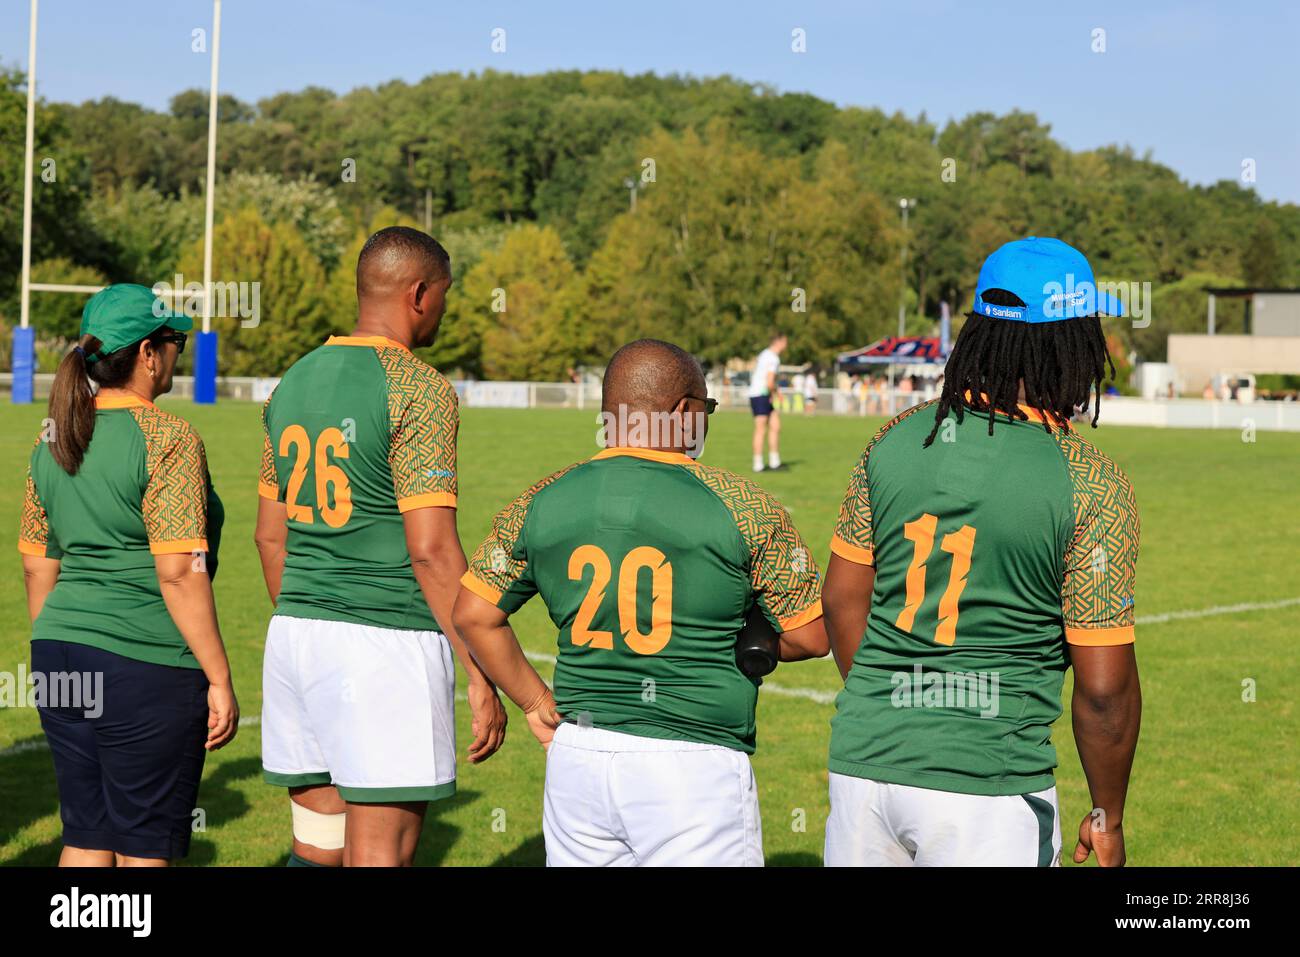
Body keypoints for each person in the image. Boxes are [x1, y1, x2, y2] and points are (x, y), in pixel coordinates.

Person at [822, 237, 1142, 867]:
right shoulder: (1089, 480)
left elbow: (840, 599)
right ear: (1074, 339)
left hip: (864, 774)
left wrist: (894, 708)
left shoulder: (895, 438)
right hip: (989, 789)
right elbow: (1104, 690)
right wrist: (1109, 815)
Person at [452, 338, 828, 866]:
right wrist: (745, 637)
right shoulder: (743, 504)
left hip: (579, 757)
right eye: (707, 408)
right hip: (692, 762)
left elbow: (472, 613)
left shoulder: (543, 498)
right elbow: (811, 634)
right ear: (683, 412)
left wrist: (537, 704)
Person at [254, 226, 506, 867]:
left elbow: (269, 533)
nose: (444, 310)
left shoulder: (292, 382)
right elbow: (432, 552)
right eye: (444, 296)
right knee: (377, 857)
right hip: (383, 644)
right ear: (420, 293)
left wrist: (314, 614)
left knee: (317, 851)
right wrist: (480, 670)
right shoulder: (419, 387)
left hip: (295, 636)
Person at [19, 283, 237, 866]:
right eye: (174, 343)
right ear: (147, 353)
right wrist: (219, 676)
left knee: (86, 836)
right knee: (143, 847)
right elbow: (179, 573)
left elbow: (37, 564)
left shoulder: (54, 437)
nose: (177, 356)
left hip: (59, 652)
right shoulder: (168, 438)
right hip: (145, 662)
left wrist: (65, 646)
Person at [747, 332, 786, 471]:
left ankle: (775, 462)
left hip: (761, 394)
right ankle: (758, 464)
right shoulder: (773, 358)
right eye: (785, 342)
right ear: (779, 342)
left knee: (775, 425)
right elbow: (769, 382)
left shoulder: (764, 353)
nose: (786, 346)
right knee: (761, 429)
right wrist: (777, 393)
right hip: (761, 395)